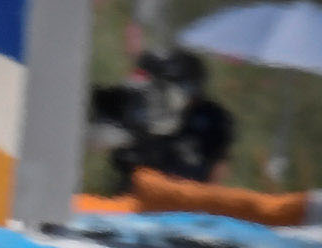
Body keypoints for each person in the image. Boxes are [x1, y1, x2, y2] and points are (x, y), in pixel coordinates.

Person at [89, 49, 234, 191]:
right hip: (140, 179)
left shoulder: (213, 117)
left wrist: (203, 196)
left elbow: (219, 163)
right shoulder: (147, 105)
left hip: (178, 189)